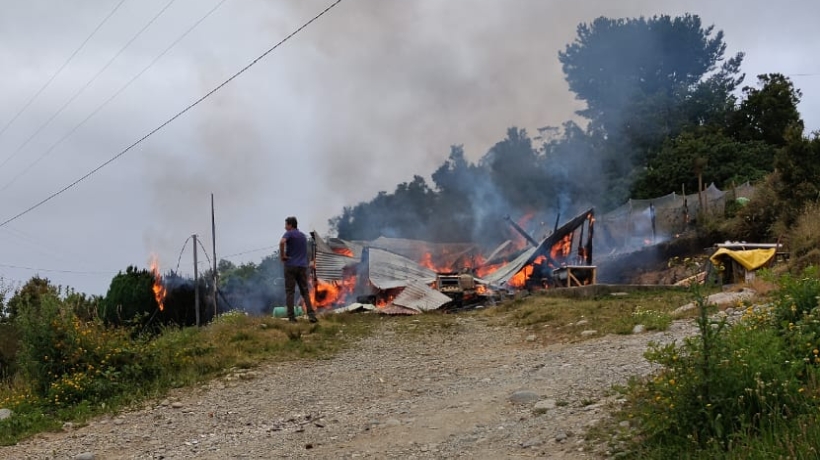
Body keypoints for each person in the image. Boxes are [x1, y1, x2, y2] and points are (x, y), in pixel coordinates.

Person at [279, 216, 318, 323]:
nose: (285, 227)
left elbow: (282, 242)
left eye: (286, 225)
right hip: (302, 267)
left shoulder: (289, 233)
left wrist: (282, 256)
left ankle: (291, 317)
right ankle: (311, 315)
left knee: (290, 292)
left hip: (290, 266)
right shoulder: (303, 236)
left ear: (290, 225)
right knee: (305, 291)